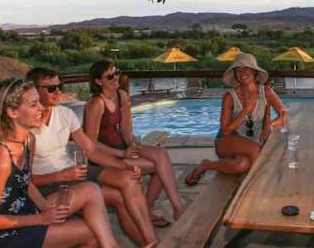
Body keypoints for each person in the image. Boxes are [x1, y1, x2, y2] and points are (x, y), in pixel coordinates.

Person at [0, 78, 154, 248]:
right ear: (12, 112)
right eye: (33, 104)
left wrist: (44, 206)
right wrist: (41, 218)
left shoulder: (28, 140)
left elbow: (26, 182)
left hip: (28, 212)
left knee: (90, 189)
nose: (41, 108)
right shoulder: (0, 155)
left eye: (39, 102)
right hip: (6, 233)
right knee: (91, 232)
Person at [25, 67, 158, 247]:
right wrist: (60, 176)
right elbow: (24, 180)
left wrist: (125, 165)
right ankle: (149, 247)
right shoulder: (26, 125)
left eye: (59, 86)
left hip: (73, 172)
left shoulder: (65, 114)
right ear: (34, 91)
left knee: (129, 178)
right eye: (51, 88)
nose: (58, 92)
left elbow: (91, 151)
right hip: (49, 183)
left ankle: (152, 243)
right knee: (119, 197)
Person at [84, 60, 185, 226]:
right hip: (103, 157)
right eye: (110, 76)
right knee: (158, 167)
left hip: (121, 147)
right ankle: (147, 211)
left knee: (161, 154)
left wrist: (131, 145)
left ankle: (177, 207)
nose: (115, 78)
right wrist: (122, 153)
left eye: (116, 73)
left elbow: (125, 127)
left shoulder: (121, 95)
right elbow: (90, 143)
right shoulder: (96, 103)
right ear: (98, 81)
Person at [185, 53, 287, 184]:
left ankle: (206, 165)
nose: (242, 73)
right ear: (234, 74)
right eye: (238, 70)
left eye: (246, 68)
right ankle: (255, 185)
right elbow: (226, 130)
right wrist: (245, 111)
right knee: (255, 150)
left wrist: (270, 125)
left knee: (242, 165)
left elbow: (285, 114)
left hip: (252, 141)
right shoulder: (229, 97)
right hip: (227, 141)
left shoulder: (266, 92)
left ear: (254, 71)